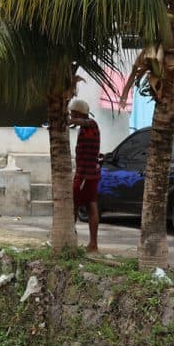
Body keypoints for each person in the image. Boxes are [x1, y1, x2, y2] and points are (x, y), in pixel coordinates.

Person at [69, 98, 102, 252]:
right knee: (90, 205)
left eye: (73, 113)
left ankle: (71, 238)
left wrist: (68, 121)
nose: (71, 116)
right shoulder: (84, 128)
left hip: (85, 175)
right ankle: (92, 243)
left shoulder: (91, 125)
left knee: (73, 206)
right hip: (90, 174)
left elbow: (86, 122)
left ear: (78, 113)